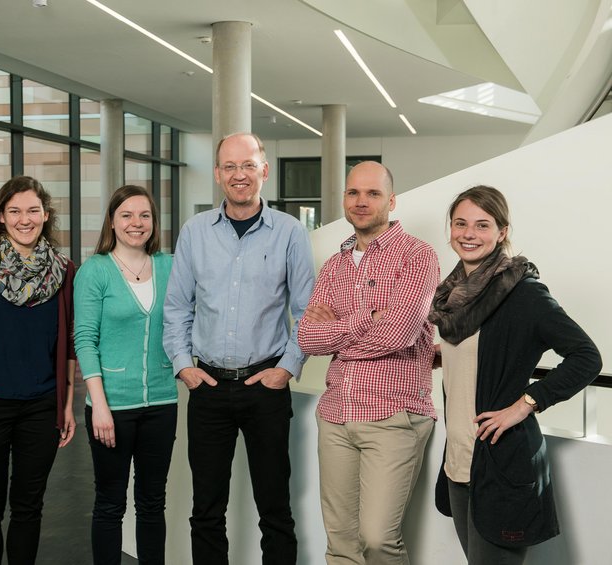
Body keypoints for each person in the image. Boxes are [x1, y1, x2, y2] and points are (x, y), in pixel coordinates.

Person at [428, 185, 601, 564]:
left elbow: (587, 357)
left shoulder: (523, 293)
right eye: (460, 223)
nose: (469, 234)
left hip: (502, 463)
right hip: (459, 461)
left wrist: (525, 404)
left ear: (502, 231)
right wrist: (448, 354)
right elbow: (486, 351)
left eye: (482, 225)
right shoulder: (455, 297)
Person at [163, 132, 314, 565]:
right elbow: (177, 307)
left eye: (247, 165)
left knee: (275, 509)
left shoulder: (289, 232)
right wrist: (183, 366)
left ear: (264, 170)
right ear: (217, 174)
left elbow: (307, 312)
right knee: (206, 511)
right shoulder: (195, 232)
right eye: (229, 167)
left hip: (266, 387)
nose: (239, 175)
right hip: (208, 388)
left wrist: (286, 368)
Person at [298, 161, 439, 565]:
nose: (361, 201)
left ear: (391, 201)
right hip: (336, 415)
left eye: (373, 193)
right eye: (353, 193)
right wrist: (368, 319)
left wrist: (338, 332)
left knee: (378, 540)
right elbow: (307, 338)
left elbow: (398, 334)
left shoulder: (417, 257)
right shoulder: (335, 264)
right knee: (340, 543)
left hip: (392, 416)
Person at [0, 176, 76, 565]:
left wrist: (67, 404)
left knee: (29, 506)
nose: (25, 219)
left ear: (46, 215)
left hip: (41, 406)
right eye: (15, 211)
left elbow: (69, 343)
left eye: (33, 210)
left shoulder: (64, 270)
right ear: (1, 217)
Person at [74, 185, 178, 565]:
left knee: (153, 502)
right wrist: (99, 406)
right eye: (127, 215)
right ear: (112, 222)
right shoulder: (95, 270)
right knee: (110, 502)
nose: (137, 223)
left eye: (144, 215)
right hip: (112, 406)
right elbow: (85, 340)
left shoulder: (169, 266)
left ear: (154, 221)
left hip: (162, 402)